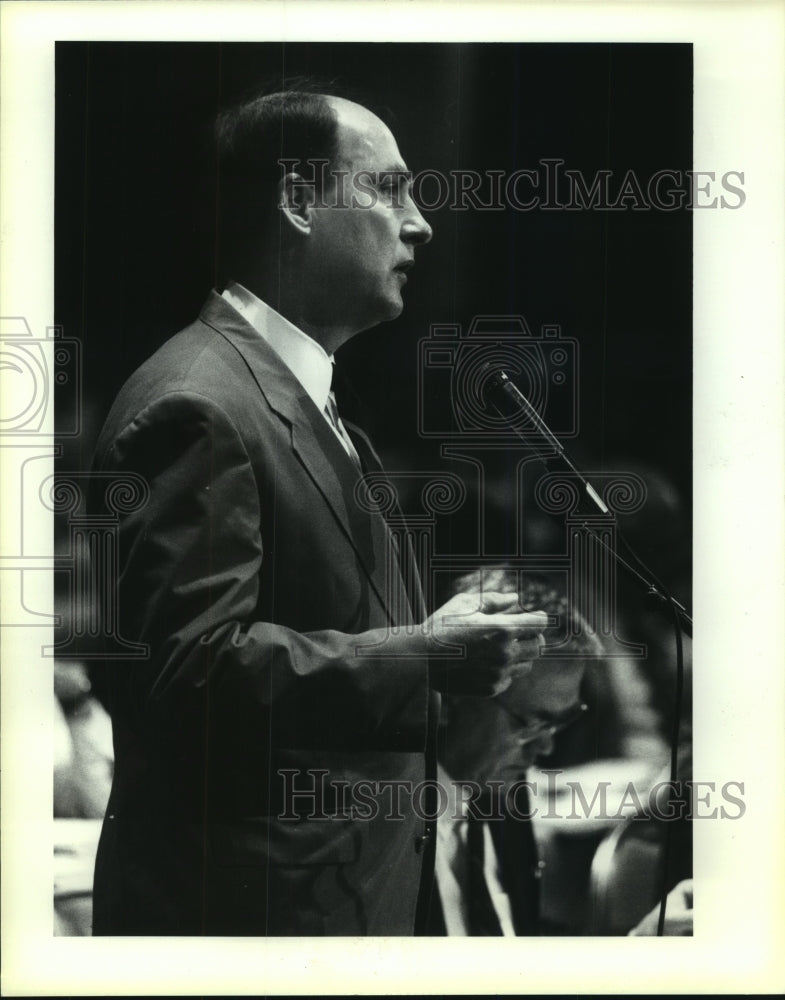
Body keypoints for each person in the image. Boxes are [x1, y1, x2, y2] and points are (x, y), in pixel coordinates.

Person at [88, 89, 549, 936]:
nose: (420, 224)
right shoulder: (200, 401)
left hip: (334, 901)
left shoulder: (293, 391)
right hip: (250, 921)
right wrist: (424, 653)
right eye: (388, 188)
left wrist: (437, 646)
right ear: (298, 200)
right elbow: (183, 677)